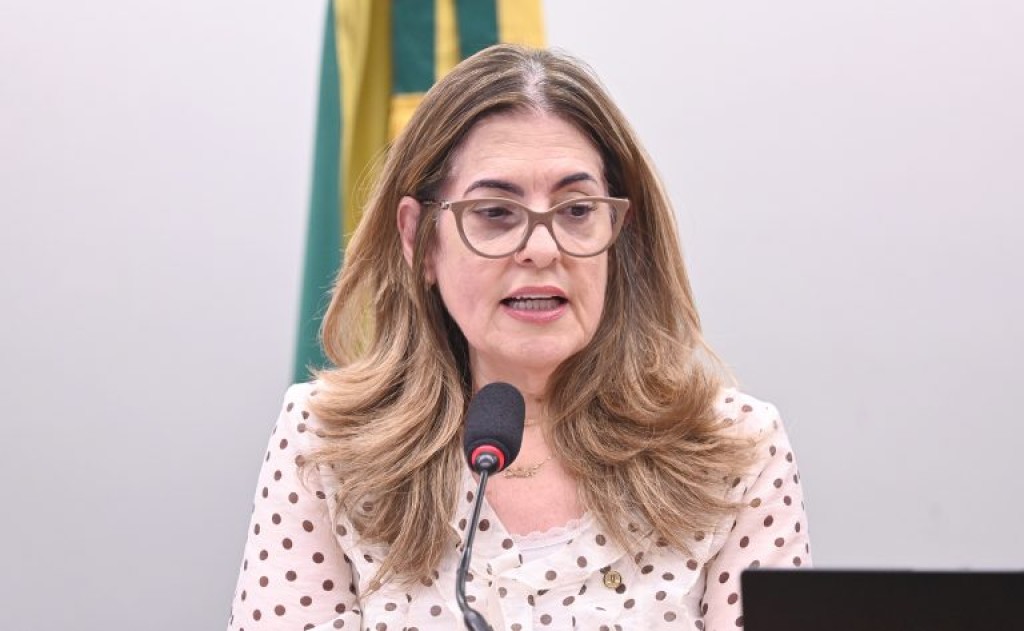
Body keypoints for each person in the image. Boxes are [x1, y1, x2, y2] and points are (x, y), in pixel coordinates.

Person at [228, 44, 811, 630]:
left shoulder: (735, 448)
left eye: (577, 210)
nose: (541, 248)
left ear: (619, 233)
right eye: (496, 213)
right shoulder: (325, 444)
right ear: (420, 241)